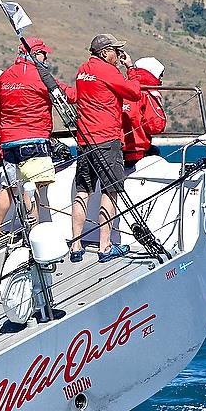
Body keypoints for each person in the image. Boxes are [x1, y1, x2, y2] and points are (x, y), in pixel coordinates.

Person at [0, 38, 76, 242]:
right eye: (43, 53)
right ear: (35, 54)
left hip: (9, 143)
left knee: (9, 187)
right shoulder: (41, 76)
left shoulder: (5, 76)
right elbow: (67, 95)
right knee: (32, 187)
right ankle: (33, 235)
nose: (46, 57)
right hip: (34, 141)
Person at [70, 33, 141, 263]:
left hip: (85, 140)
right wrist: (131, 69)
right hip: (106, 140)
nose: (118, 54)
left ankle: (76, 245)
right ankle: (105, 246)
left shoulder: (82, 70)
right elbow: (134, 92)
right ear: (104, 52)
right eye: (115, 50)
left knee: (83, 191)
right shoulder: (108, 71)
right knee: (110, 192)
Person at [122, 57, 166, 168]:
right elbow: (155, 127)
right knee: (155, 152)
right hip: (136, 150)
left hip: (114, 147)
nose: (161, 79)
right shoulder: (148, 93)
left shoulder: (122, 88)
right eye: (161, 75)